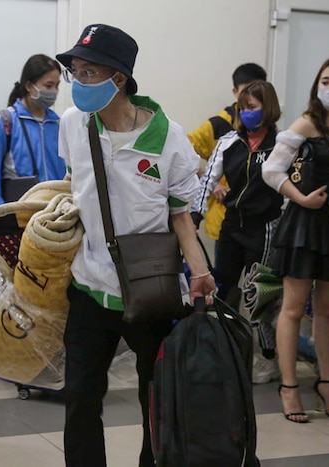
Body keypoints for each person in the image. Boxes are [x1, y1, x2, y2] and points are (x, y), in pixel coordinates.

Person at [55, 24, 216, 467]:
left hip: (151, 290)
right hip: (89, 285)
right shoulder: (72, 124)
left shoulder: (169, 138)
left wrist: (200, 272)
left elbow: (181, 216)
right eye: (75, 71)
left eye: (88, 73)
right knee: (80, 398)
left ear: (119, 78)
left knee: (157, 401)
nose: (78, 82)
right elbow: (73, 185)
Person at [262, 56, 329, 423]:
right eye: (325, 81)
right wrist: (300, 197)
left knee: (327, 311)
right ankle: (289, 387)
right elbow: (271, 169)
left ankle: (327, 384)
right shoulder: (306, 122)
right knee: (293, 308)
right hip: (305, 223)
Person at [198, 80, 283, 302]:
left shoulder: (282, 144)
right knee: (222, 292)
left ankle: (262, 327)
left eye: (252, 107)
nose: (246, 113)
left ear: (268, 107)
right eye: (242, 108)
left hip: (264, 229)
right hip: (231, 226)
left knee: (261, 298)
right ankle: (226, 326)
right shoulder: (229, 141)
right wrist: (195, 213)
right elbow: (208, 179)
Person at [0, 54, 66, 211]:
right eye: (48, 86)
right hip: (18, 215)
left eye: (57, 85)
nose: (54, 91)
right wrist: (0, 217)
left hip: (54, 215)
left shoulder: (58, 124)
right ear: (29, 86)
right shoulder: (5, 122)